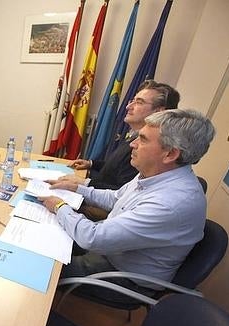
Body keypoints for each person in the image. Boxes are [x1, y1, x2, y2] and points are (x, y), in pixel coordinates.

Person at [39, 109, 215, 303]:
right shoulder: (155, 173)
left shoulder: (171, 203)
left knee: (39, 264)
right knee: (42, 236)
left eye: (143, 139)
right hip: (111, 251)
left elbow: (93, 237)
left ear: (170, 154)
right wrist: (78, 188)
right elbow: (117, 198)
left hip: (122, 277)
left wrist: (59, 206)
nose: (133, 143)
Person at [63, 81, 180, 190]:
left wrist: (84, 183)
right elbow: (116, 167)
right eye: (132, 101)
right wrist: (91, 164)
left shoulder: (151, 148)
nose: (128, 107)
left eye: (139, 102)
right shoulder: (134, 135)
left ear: (158, 112)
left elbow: (121, 192)